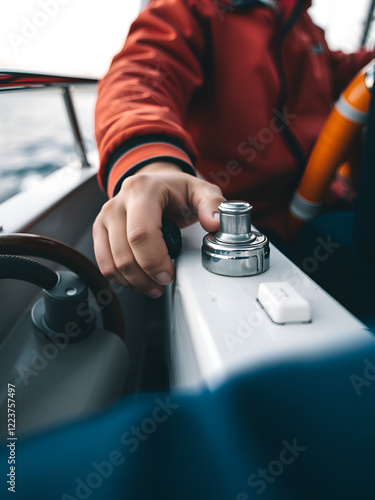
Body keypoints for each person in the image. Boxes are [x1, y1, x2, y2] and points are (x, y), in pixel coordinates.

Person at [93, 0, 373, 298]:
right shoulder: (191, 8)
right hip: (255, 221)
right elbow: (140, 77)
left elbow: (342, 70)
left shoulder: (302, 23)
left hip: (327, 205)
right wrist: (151, 162)